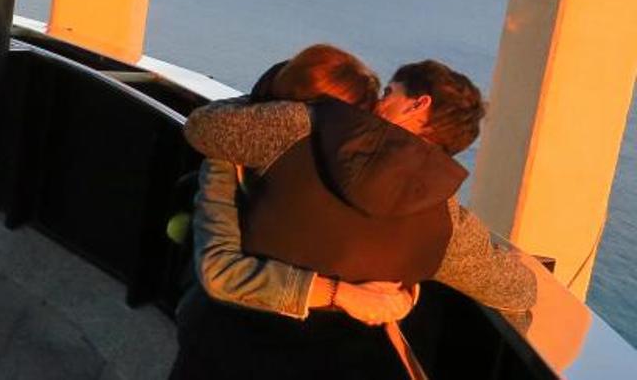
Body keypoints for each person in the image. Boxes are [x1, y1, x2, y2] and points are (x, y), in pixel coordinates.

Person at [171, 46, 537, 378]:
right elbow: (518, 291)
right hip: (340, 363)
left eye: (388, 93)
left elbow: (204, 126)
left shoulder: (300, 127)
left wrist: (275, 94)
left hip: (224, 345)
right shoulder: (446, 221)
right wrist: (408, 291)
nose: (374, 103)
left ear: (417, 104)